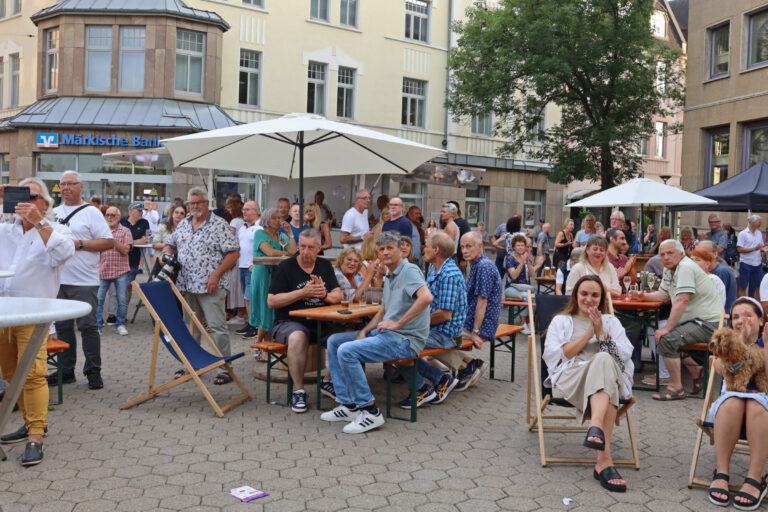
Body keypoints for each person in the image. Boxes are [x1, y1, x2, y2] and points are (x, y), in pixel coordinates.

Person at [321, 231, 432, 433]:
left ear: (401, 250)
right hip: (388, 335)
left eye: (390, 248)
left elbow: (426, 298)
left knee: (347, 351)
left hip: (406, 340)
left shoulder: (409, 270)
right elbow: (384, 309)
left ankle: (370, 411)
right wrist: (365, 329)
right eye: (381, 249)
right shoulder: (390, 273)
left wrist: (397, 324)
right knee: (335, 341)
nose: (385, 252)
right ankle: (349, 405)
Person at [0, 179, 74, 466]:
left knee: (31, 375)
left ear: (44, 202)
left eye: (31, 196)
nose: (24, 201)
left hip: (34, 316)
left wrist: (39, 221)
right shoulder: (6, 230)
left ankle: (36, 435)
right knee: (10, 374)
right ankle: (30, 421)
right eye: (19, 195)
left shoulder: (58, 230)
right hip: (4, 314)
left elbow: (64, 253)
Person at [543, 275, 634, 493]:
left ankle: (596, 428)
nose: (589, 299)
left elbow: (622, 359)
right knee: (605, 374)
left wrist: (602, 332)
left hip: (605, 378)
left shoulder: (612, 322)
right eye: (584, 294)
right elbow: (560, 356)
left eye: (595, 295)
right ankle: (604, 462)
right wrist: (590, 332)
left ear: (602, 298)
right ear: (576, 295)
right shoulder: (561, 321)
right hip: (572, 377)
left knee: (604, 363)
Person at [164, 187, 240, 385]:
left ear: (207, 204)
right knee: (190, 327)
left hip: (211, 285)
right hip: (187, 285)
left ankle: (225, 367)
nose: (194, 206)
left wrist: (216, 275)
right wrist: (168, 253)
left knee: (216, 327)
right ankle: (192, 364)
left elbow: (233, 253)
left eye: (198, 202)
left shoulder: (219, 224)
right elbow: (170, 244)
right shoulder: (183, 224)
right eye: (191, 203)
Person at [633, 239, 723, 401]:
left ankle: (676, 388)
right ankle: (697, 373)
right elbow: (663, 295)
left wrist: (667, 328)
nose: (666, 257)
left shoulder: (686, 268)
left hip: (709, 324)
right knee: (665, 337)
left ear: (681, 254)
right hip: (695, 322)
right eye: (662, 254)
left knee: (666, 338)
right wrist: (643, 296)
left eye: (670, 253)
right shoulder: (670, 270)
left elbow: (682, 300)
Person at [267, 229, 341, 413]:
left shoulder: (324, 265)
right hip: (288, 321)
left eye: (310, 247)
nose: (305, 251)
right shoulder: (286, 267)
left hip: (321, 320)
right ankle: (298, 391)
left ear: (319, 248)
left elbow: (337, 294)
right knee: (298, 337)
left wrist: (324, 295)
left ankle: (328, 381)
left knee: (345, 335)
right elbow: (271, 301)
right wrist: (302, 292)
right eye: (302, 246)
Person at [52, 171, 114, 391]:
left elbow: (108, 241)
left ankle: (93, 372)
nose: (66, 188)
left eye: (71, 184)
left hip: (85, 280)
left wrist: (77, 244)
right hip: (57, 279)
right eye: (62, 184)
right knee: (62, 327)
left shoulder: (92, 212)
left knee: (88, 327)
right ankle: (66, 371)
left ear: (81, 187)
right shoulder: (53, 212)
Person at [707, 297, 768, 508]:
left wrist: (766, 347)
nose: (741, 320)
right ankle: (721, 472)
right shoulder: (724, 346)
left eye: (748, 315)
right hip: (729, 408)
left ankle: (755, 478)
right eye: (735, 317)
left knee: (754, 404)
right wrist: (736, 347)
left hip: (761, 409)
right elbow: (719, 368)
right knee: (734, 401)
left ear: (761, 321)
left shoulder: (766, 343)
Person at [398, 232, 467, 408]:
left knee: (396, 344)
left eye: (426, 246)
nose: (423, 249)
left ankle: (422, 389)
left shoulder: (449, 275)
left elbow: (444, 314)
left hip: (445, 334)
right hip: (435, 330)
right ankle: (440, 379)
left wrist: (412, 322)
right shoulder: (437, 269)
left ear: (436, 250)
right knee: (391, 337)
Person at [249, 208, 297, 343]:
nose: (278, 221)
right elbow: (269, 252)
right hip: (262, 274)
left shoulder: (282, 236)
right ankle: (259, 344)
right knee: (266, 310)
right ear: (267, 220)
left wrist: (290, 233)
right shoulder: (260, 233)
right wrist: (286, 253)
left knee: (271, 311)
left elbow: (293, 250)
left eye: (279, 218)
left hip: (276, 274)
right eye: (274, 218)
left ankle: (263, 345)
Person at [97, 207, 133, 336]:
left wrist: (112, 240)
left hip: (120, 271)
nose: (110, 217)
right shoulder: (100, 230)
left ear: (119, 217)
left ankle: (120, 324)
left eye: (113, 215)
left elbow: (125, 250)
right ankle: (98, 325)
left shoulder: (125, 231)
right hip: (103, 270)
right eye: (107, 215)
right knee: (99, 299)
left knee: (122, 300)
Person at [233, 200, 261, 339]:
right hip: (242, 265)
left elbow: (262, 247)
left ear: (256, 211)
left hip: (252, 266)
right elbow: (240, 244)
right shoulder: (242, 228)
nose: (244, 212)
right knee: (246, 297)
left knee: (250, 297)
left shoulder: (260, 227)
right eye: (243, 209)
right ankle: (251, 323)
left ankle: (255, 326)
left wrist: (256, 263)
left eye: (247, 209)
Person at [120, 202, 150, 306]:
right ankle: (114, 313)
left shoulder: (144, 223)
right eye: (139, 210)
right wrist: (136, 241)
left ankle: (123, 312)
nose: (142, 213)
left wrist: (128, 242)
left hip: (133, 260)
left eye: (142, 211)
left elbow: (146, 240)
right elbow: (117, 239)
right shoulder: (121, 221)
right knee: (116, 287)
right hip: (119, 259)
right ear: (131, 211)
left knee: (128, 285)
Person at [504, 234, 535, 334]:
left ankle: (529, 322)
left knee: (537, 296)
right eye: (518, 245)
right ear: (514, 247)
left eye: (522, 245)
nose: (521, 247)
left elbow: (532, 274)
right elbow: (513, 276)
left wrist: (527, 262)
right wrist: (522, 263)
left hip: (525, 287)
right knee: (527, 297)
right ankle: (522, 323)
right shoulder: (510, 259)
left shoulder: (527, 258)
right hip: (511, 288)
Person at [699, 240, 737, 314]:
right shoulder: (711, 270)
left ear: (715, 254)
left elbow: (714, 300)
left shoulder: (721, 271)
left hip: (720, 318)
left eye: (705, 252)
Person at [151, 204, 186, 275]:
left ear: (184, 216)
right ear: (172, 214)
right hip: (163, 262)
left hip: (181, 265)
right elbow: (154, 244)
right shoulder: (163, 226)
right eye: (176, 212)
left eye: (182, 213)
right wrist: (169, 246)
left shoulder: (187, 230)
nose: (179, 214)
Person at [738, 214, 766, 299]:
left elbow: (760, 247)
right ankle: (743, 303)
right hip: (746, 263)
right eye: (759, 222)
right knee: (743, 286)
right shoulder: (743, 233)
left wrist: (763, 249)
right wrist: (754, 248)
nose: (760, 224)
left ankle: (755, 304)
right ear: (753, 222)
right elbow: (739, 249)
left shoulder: (759, 233)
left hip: (757, 263)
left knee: (759, 286)